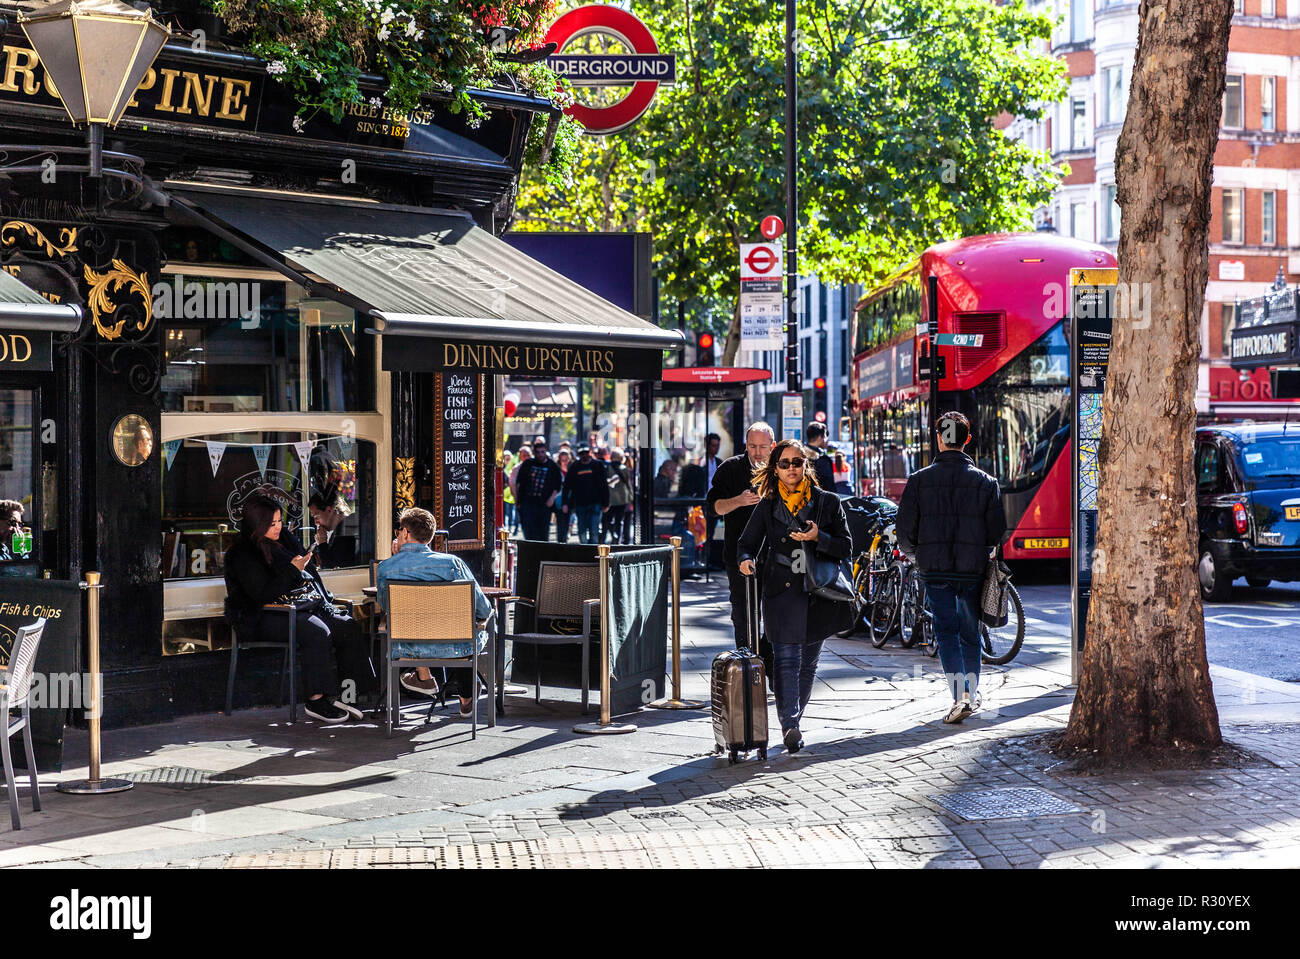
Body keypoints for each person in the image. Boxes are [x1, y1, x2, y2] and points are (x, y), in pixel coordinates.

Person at [737, 439, 853, 753]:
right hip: (780, 591)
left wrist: (820, 537)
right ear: (775, 469)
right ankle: (790, 724)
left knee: (808, 665)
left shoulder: (827, 502)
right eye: (785, 463)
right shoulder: (768, 504)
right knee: (786, 661)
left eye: (797, 462)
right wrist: (745, 560)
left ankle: (794, 720)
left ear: (806, 465)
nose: (792, 469)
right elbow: (746, 543)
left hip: (818, 592)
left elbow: (846, 546)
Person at [895, 411, 1006, 725]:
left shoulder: (918, 481)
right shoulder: (987, 483)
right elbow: (997, 531)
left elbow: (904, 530)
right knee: (970, 632)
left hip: (935, 570)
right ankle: (969, 691)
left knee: (946, 632)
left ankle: (961, 696)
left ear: (938, 438)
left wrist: (918, 557)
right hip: (972, 571)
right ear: (967, 439)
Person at [224, 495, 370, 725]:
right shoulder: (242, 553)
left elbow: (308, 570)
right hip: (262, 616)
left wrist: (309, 571)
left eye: (279, 521)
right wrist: (293, 570)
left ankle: (350, 693)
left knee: (347, 626)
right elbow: (260, 595)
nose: (278, 527)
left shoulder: (284, 538)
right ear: (256, 523)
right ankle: (316, 699)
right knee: (315, 630)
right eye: (271, 524)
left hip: (300, 606)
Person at [376, 507, 492, 717]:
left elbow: (386, 607)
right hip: (455, 647)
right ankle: (466, 698)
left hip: (408, 647)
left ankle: (424, 676)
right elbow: (483, 608)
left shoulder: (385, 568)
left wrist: (396, 559)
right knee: (469, 624)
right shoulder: (452, 564)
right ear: (429, 536)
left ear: (405, 533)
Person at [707, 423, 774, 650]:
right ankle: (747, 664)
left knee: (778, 615)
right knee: (744, 613)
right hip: (738, 556)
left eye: (762, 447)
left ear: (772, 447)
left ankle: (769, 661)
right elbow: (713, 508)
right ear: (746, 445)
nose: (757, 452)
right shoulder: (730, 468)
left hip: (775, 557)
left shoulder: (782, 469)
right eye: (752, 446)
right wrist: (739, 500)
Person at [514, 439, 562, 541]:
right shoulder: (528, 464)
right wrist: (517, 500)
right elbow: (519, 483)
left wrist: (552, 498)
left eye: (542, 452)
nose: (540, 454)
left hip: (544, 504)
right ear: (534, 453)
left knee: (543, 533)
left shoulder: (553, 466)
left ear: (545, 451)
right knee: (528, 532)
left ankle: (541, 555)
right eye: (538, 452)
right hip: (527, 503)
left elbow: (557, 485)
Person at [563, 445, 609, 544]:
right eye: (581, 453)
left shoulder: (598, 465)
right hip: (580, 504)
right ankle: (585, 552)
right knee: (582, 531)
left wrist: (606, 503)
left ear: (590, 452)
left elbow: (604, 484)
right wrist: (565, 503)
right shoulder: (574, 467)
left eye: (586, 453)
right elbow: (567, 486)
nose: (584, 455)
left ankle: (592, 555)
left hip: (595, 503)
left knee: (594, 531)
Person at [307, 492, 354, 568]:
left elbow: (334, 569)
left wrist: (322, 544)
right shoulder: (339, 530)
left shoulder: (346, 533)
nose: (316, 523)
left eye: (316, 516)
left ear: (329, 510)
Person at [604, 448, 633, 544]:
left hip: (609, 499)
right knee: (619, 520)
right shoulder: (624, 469)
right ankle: (616, 538)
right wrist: (631, 498)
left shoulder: (606, 468)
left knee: (608, 520)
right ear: (621, 457)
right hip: (622, 499)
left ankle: (611, 535)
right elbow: (628, 484)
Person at [805, 421, 836, 492]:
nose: (827, 440)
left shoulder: (800, 456)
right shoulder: (822, 460)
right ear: (820, 437)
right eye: (825, 436)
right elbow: (829, 486)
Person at [553, 448, 574, 542]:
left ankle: (564, 539)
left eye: (566, 460)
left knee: (567, 520)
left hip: (569, 499)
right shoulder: (556, 470)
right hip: (558, 499)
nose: (564, 462)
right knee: (559, 521)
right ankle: (560, 541)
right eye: (562, 460)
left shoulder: (572, 469)